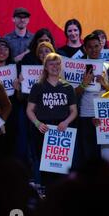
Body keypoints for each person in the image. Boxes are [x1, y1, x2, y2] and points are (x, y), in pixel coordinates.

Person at [26, 53, 77, 185]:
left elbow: (74, 111)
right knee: (44, 166)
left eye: (57, 63)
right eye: (51, 64)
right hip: (43, 129)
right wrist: (37, 123)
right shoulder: (38, 86)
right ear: (46, 68)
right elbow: (29, 110)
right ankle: (46, 194)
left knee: (61, 168)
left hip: (62, 130)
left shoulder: (68, 87)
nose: (55, 66)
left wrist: (66, 122)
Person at [74, 33, 109, 167]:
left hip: (104, 115)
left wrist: (104, 83)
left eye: (96, 46)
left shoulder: (107, 65)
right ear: (85, 49)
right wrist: (84, 83)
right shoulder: (77, 66)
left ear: (101, 46)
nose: (94, 49)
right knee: (88, 153)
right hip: (85, 115)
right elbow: (73, 94)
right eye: (90, 47)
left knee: (104, 152)